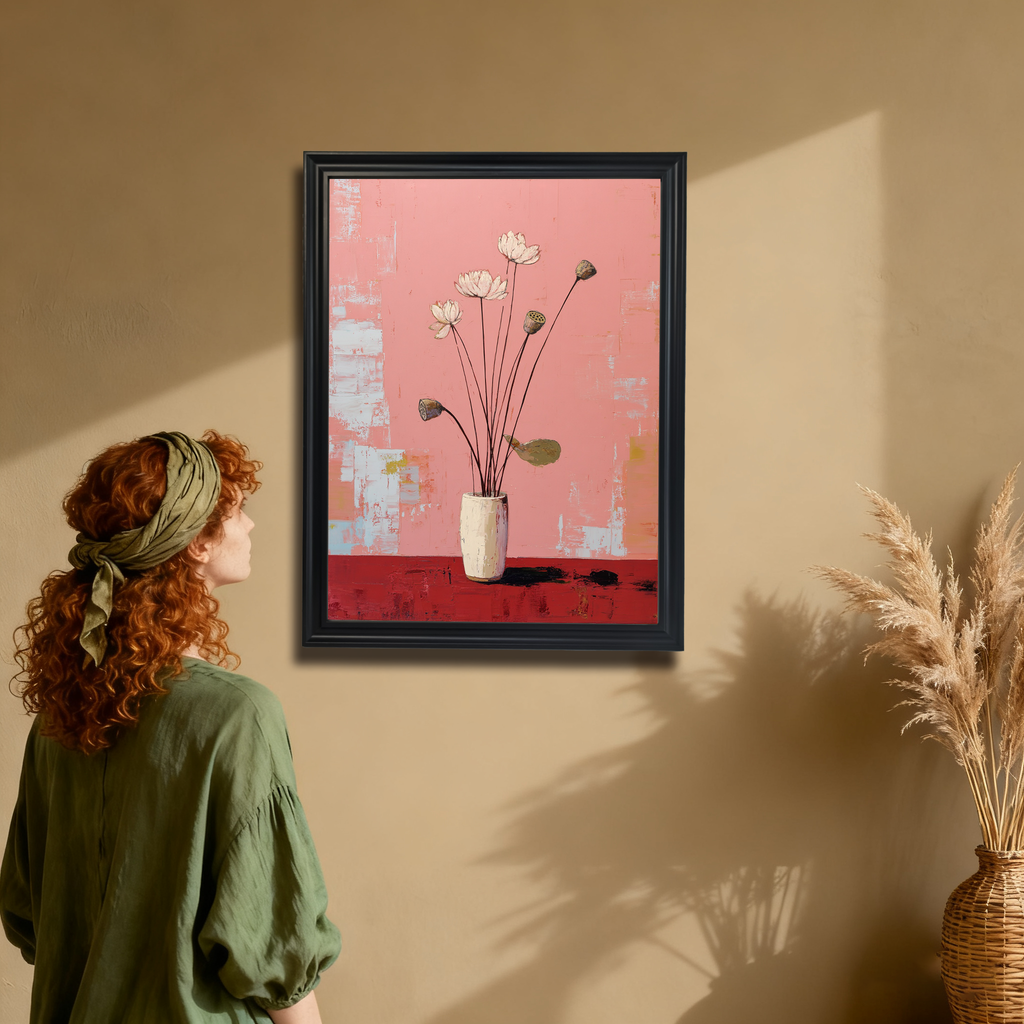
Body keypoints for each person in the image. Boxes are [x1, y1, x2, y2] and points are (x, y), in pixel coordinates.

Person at [1, 430, 340, 1023]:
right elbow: (271, 947)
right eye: (237, 512)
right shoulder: (238, 713)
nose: (251, 528)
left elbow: (31, 914)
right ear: (197, 545)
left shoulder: (60, 715)